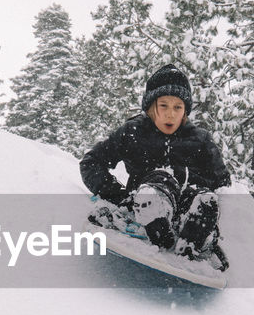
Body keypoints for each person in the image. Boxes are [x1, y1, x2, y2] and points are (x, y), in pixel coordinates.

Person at [80, 64, 231, 270]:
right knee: (160, 180)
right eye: (164, 106)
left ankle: (191, 241)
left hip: (185, 208)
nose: (171, 114)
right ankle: (156, 222)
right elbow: (91, 163)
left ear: (185, 110)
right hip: (146, 199)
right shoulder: (133, 132)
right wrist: (119, 197)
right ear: (152, 107)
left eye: (177, 107)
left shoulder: (200, 140)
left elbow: (223, 184)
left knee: (203, 199)